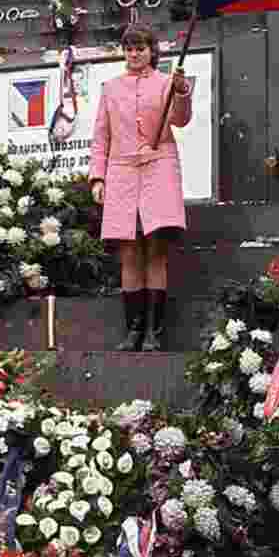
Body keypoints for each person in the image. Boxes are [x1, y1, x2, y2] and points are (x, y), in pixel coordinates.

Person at [89, 23, 193, 352]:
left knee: (155, 250)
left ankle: (155, 331)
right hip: (121, 174)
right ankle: (133, 329)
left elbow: (181, 120)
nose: (134, 54)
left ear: (152, 51)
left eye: (141, 48)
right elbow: (100, 137)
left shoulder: (166, 83)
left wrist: (180, 92)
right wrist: (98, 177)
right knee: (129, 253)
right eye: (129, 48)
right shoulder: (110, 88)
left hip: (158, 170)